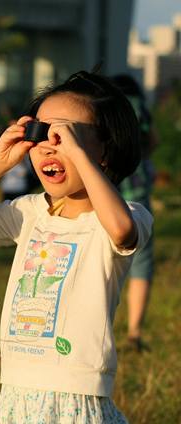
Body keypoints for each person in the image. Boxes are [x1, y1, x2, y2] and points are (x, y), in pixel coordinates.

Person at [0, 71, 153, 422]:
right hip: (17, 390)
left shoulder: (127, 216)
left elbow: (121, 231)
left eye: (65, 134)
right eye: (39, 133)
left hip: (79, 394)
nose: (49, 144)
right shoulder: (29, 212)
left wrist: (78, 155)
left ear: (104, 148)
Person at [111, 74, 157, 352]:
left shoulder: (108, 105)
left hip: (106, 189)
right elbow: (154, 139)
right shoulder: (140, 105)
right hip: (136, 191)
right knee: (142, 260)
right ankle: (134, 332)